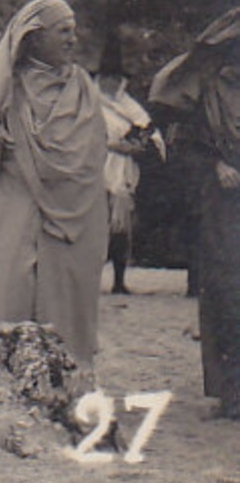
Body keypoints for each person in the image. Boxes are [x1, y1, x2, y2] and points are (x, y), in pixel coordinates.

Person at [0, 0, 108, 373]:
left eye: (74, 30)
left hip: (74, 206)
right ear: (35, 39)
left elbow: (95, 147)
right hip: (18, 199)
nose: (73, 39)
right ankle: (5, 372)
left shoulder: (84, 86)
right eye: (63, 31)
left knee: (65, 285)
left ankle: (65, 371)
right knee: (13, 281)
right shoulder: (8, 88)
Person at [149, 7, 240, 418]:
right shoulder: (209, 88)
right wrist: (214, 165)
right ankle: (229, 392)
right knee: (225, 289)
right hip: (223, 202)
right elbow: (182, 140)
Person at [96, 36, 163, 295]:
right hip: (97, 169)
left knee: (122, 226)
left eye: (115, 77)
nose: (111, 82)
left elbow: (150, 131)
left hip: (124, 172)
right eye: (106, 76)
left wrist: (140, 145)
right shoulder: (89, 102)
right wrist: (112, 145)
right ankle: (89, 277)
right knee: (96, 225)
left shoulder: (129, 106)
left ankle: (119, 279)